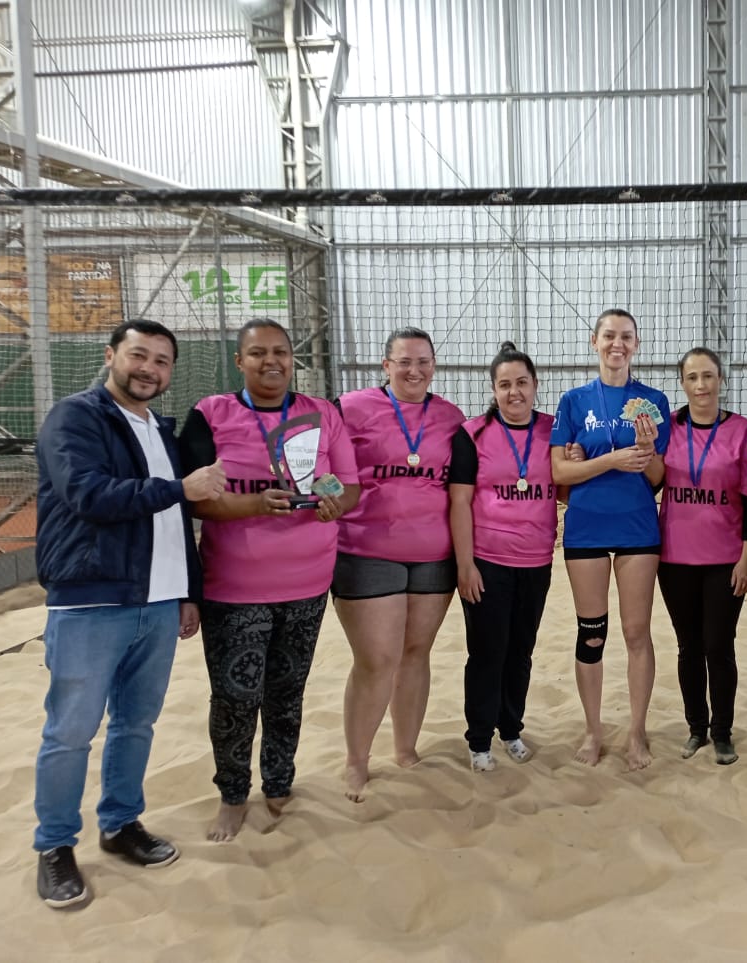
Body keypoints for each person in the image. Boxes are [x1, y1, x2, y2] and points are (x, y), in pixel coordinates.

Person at [32, 319, 227, 908]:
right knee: (70, 732)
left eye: (162, 361)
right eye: (139, 356)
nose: (150, 369)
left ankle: (120, 825)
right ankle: (55, 845)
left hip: (159, 601)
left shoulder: (161, 430)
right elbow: (89, 495)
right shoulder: (76, 417)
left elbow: (178, 523)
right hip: (92, 599)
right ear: (111, 355)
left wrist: (187, 590)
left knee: (135, 725)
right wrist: (179, 488)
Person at [179, 318, 360, 839]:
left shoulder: (321, 414)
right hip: (235, 588)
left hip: (307, 583)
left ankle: (279, 781)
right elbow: (200, 501)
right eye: (257, 353)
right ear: (240, 362)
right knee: (236, 697)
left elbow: (347, 486)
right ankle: (233, 794)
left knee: (288, 691)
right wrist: (254, 504)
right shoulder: (211, 415)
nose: (271, 361)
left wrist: (332, 502)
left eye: (280, 352)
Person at [333, 328, 465, 800]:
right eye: (404, 361)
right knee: (377, 660)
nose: (415, 370)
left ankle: (406, 748)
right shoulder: (351, 407)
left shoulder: (451, 417)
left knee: (415, 653)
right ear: (385, 366)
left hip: (433, 556)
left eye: (424, 361)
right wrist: (328, 504)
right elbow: (320, 465)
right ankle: (356, 760)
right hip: (367, 550)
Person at [550, 308, 670, 769]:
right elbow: (561, 472)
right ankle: (592, 730)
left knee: (637, 631)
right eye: (609, 336)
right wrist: (612, 460)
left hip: (638, 527)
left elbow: (657, 479)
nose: (617, 344)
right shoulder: (574, 401)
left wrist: (648, 449)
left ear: (636, 345)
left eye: (626, 337)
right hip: (586, 527)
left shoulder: (652, 399)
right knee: (592, 634)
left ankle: (636, 731)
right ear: (594, 341)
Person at [449, 342, 559, 772]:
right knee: (487, 652)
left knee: (521, 651)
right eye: (504, 385)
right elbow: (459, 503)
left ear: (535, 385)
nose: (514, 392)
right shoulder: (472, 432)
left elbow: (565, 485)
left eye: (522, 383)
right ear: (493, 389)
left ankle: (510, 729)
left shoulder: (555, 429)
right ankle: (479, 739)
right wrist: (465, 564)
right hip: (488, 563)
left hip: (537, 561)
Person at [657, 348, 747, 765]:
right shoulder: (667, 428)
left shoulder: (742, 430)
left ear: (721, 380)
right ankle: (696, 728)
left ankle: (722, 732)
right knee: (688, 647)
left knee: (719, 646)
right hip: (675, 559)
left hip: (724, 559)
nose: (701, 385)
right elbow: (648, 480)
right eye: (693, 377)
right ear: (682, 383)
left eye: (709, 376)